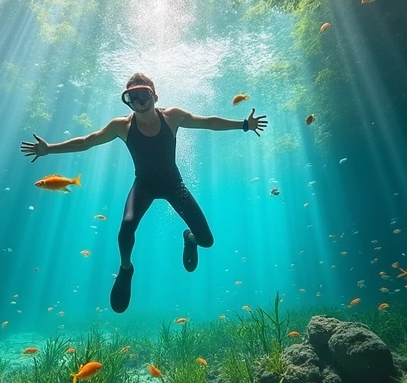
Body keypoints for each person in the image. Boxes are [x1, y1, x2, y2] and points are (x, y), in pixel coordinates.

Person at [20, 73, 267, 313]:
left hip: (173, 184)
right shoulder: (121, 126)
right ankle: (126, 268)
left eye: (143, 95)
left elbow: (208, 122)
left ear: (155, 97)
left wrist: (244, 124)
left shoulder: (172, 117)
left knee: (207, 241)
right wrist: (49, 149)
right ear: (127, 101)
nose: (137, 102)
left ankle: (189, 238)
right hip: (144, 185)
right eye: (131, 97)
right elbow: (87, 141)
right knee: (126, 225)